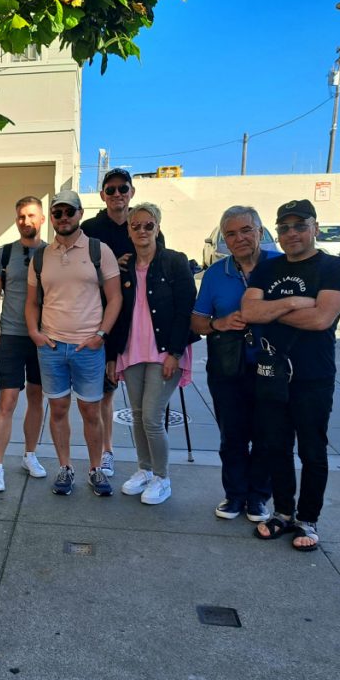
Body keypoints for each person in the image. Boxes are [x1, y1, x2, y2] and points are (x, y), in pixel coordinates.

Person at [242, 199, 340, 551]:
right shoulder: (268, 269)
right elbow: (249, 312)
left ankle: (308, 518)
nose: (292, 233)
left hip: (313, 375)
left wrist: (269, 312)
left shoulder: (334, 268)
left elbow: (322, 319)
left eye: (299, 226)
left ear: (315, 228)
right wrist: (294, 303)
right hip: (271, 372)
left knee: (312, 450)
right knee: (276, 446)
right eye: (285, 227)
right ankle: (283, 512)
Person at [25, 190, 122, 497]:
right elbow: (31, 303)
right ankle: (65, 468)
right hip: (51, 347)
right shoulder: (41, 256)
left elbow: (115, 297)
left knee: (91, 412)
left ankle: (95, 469)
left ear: (80, 213)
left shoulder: (98, 250)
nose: (63, 217)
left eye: (69, 211)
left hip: (88, 347)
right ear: (51, 218)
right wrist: (35, 333)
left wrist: (101, 335)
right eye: (58, 212)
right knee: (57, 410)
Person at [191, 206, 276, 523]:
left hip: (271, 368)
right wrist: (219, 323)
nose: (238, 238)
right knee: (233, 436)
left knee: (267, 435)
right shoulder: (216, 273)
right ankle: (235, 495)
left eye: (245, 230)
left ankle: (258, 498)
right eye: (230, 233)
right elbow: (197, 321)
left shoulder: (279, 267)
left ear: (260, 231)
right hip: (228, 367)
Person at [107, 202, 196, 506]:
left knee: (152, 417)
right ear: (129, 230)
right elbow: (117, 312)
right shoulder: (124, 266)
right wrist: (111, 355)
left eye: (149, 225)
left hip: (164, 353)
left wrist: (175, 352)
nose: (142, 231)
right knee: (137, 415)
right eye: (136, 226)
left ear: (158, 228)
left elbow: (185, 310)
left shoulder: (174, 262)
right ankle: (144, 470)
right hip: (131, 351)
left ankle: (162, 477)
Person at [82, 167, 163, 479]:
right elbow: (81, 272)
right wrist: (111, 267)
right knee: (106, 391)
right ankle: (107, 452)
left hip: (142, 324)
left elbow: (160, 270)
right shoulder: (90, 228)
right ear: (103, 194)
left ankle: (155, 468)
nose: (117, 194)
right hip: (103, 320)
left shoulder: (145, 225)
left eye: (123, 189)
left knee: (148, 405)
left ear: (132, 192)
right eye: (111, 189)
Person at [0, 196, 48, 492]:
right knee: (7, 400)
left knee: (37, 397)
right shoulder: (4, 253)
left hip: (42, 336)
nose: (26, 221)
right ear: (16, 220)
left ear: (42, 219)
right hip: (10, 336)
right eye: (21, 216)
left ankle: (30, 455)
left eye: (31, 215)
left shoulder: (52, 252)